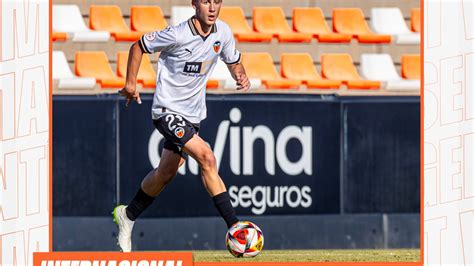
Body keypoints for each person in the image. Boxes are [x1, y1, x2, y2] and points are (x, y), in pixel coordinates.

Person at [113, 0, 250, 252]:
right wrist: (131, 84)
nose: (212, 7)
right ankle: (235, 227)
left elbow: (233, 61)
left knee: (165, 173)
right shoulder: (177, 34)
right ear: (195, 4)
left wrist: (239, 74)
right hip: (167, 111)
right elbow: (138, 46)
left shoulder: (224, 33)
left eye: (216, 2)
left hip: (193, 117)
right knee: (207, 157)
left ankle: (128, 215)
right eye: (206, 1)